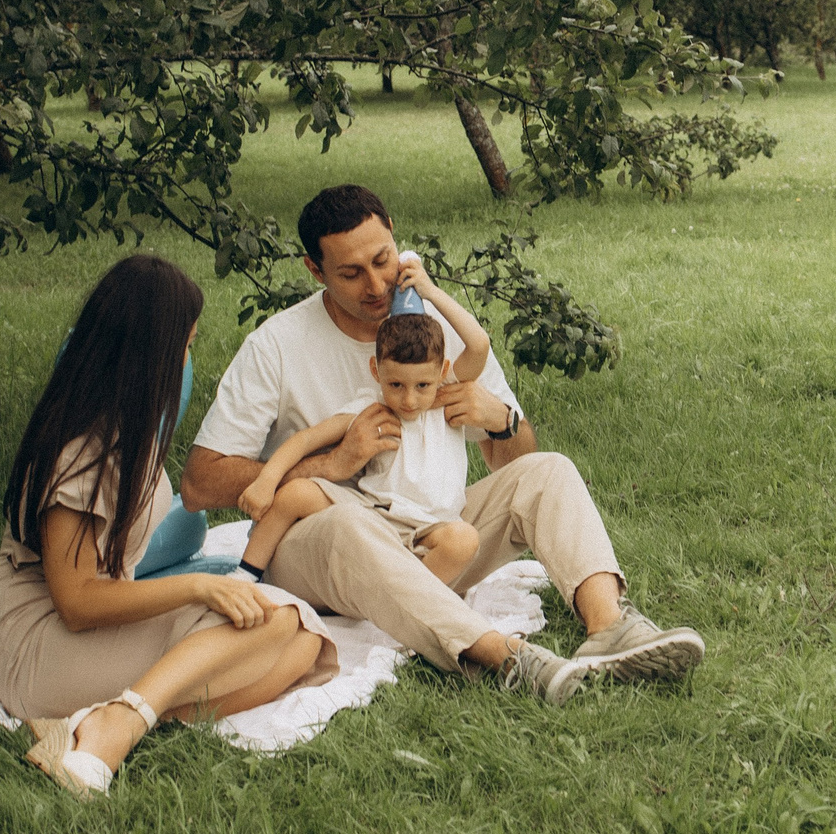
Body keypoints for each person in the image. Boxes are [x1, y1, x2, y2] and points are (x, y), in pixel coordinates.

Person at [182, 185, 705, 703]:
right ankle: (506, 659)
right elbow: (200, 483)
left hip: (432, 542)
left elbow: (514, 464)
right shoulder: (275, 345)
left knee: (549, 471)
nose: (376, 284)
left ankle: (610, 629)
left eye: (383, 260)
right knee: (349, 523)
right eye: (350, 272)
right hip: (319, 550)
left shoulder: (436, 330)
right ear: (315, 270)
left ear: (395, 241)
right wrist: (335, 462)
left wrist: (497, 419)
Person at [0, 255, 337, 797]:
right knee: (275, 621)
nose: (188, 359)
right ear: (154, 352)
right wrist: (197, 587)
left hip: (91, 625)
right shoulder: (83, 450)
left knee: (302, 647)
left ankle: (112, 719)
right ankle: (116, 726)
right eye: (187, 344)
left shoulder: (129, 430)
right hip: (39, 648)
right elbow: (76, 604)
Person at [234, 254, 491, 587]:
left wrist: (429, 291)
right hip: (372, 516)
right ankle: (243, 576)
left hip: (432, 526)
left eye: (422, 385)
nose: (409, 400)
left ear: (441, 373)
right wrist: (266, 481)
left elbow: (479, 343)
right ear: (376, 371)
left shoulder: (444, 398)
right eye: (395, 384)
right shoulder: (371, 406)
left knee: (464, 540)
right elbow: (305, 440)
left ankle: (409, 605)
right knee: (296, 493)